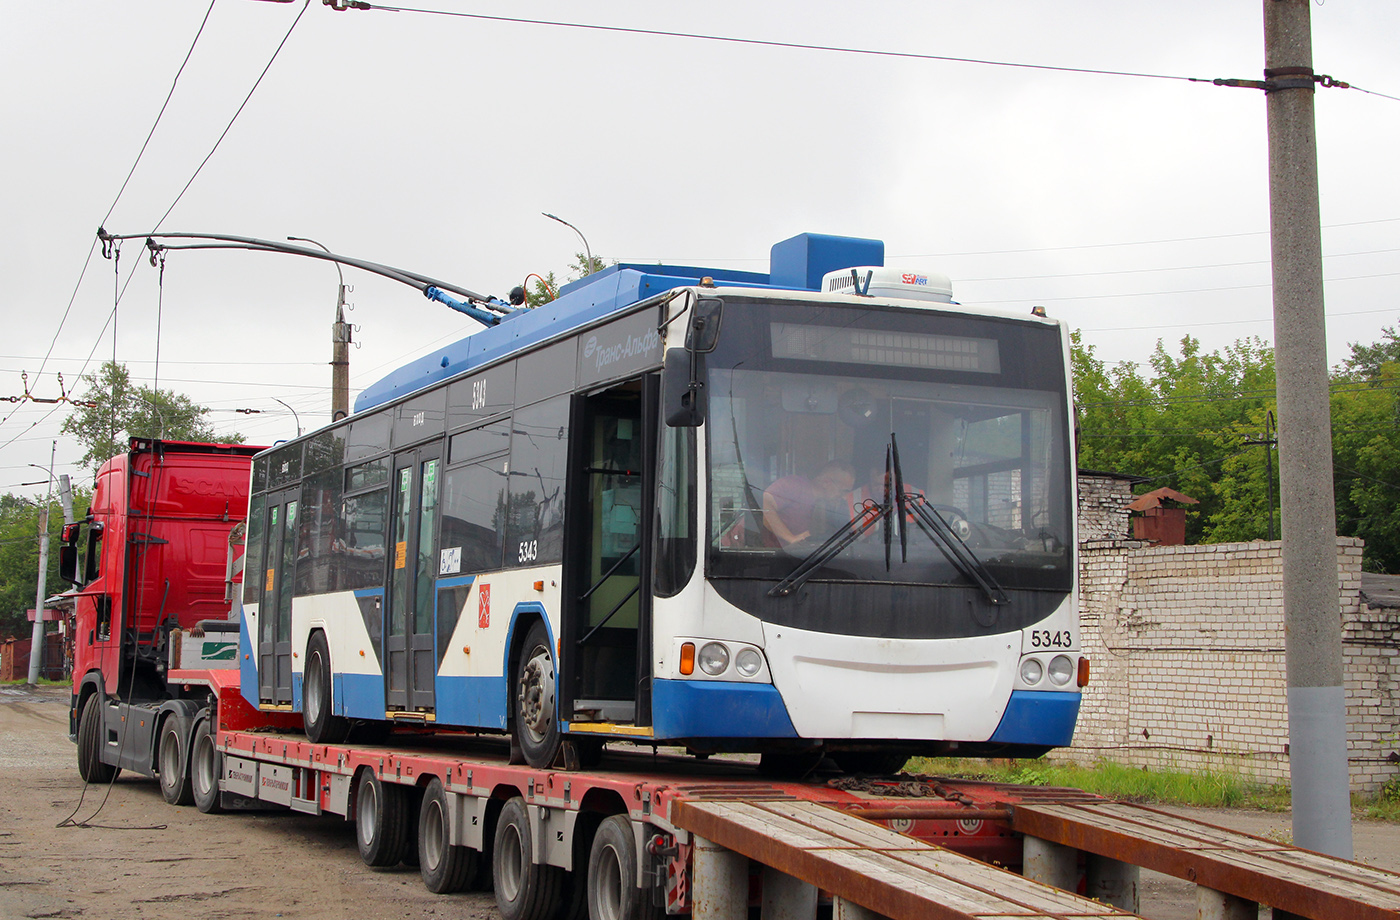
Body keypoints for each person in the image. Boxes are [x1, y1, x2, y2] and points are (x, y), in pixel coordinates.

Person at [761, 461, 854, 546]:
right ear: (826, 482)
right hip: (776, 553)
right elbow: (765, 507)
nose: (845, 497)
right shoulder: (794, 485)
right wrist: (791, 538)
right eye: (843, 491)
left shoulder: (826, 503)